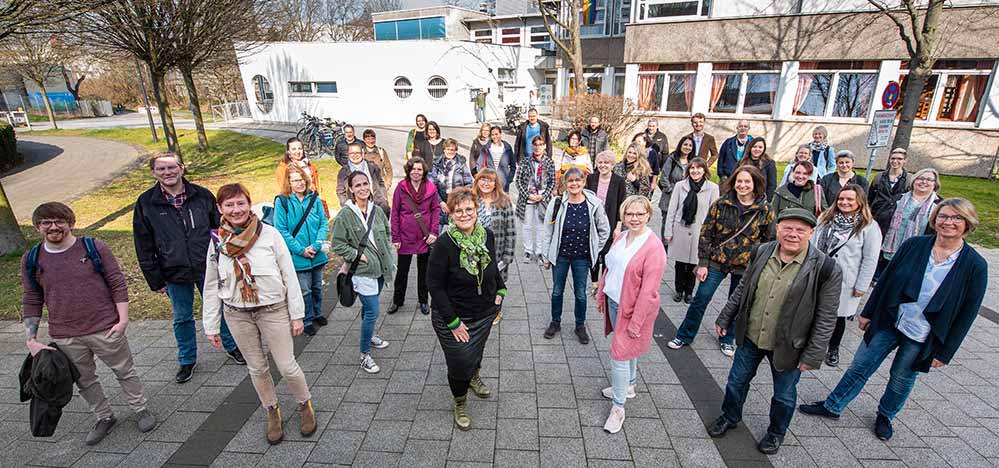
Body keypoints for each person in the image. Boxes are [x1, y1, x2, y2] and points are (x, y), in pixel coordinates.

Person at [799, 198, 986, 442]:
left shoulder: (975, 265)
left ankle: (885, 416)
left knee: (901, 377)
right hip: (890, 320)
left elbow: (967, 313)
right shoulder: (915, 245)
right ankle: (833, 405)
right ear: (935, 218)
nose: (948, 222)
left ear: (967, 223)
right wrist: (868, 312)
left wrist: (945, 352)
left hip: (923, 333)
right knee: (860, 366)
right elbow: (886, 279)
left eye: (956, 218)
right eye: (944, 216)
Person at [706, 208, 841, 455]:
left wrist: (813, 355)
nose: (793, 234)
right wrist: (726, 316)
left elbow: (826, 317)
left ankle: (776, 432)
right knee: (736, 382)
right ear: (777, 228)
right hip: (751, 335)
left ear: (811, 232)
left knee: (784, 396)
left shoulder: (827, 268)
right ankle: (730, 416)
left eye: (800, 230)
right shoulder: (761, 251)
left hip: (790, 345)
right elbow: (744, 288)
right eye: (787, 228)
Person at [23, 202, 157, 446]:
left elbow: (117, 282)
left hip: (106, 326)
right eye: (46, 222)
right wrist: (31, 338)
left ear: (71, 223)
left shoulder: (93, 247)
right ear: (37, 227)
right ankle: (104, 417)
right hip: (65, 335)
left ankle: (141, 409)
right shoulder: (32, 259)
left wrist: (123, 320)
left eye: (59, 221)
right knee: (84, 380)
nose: (53, 227)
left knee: (125, 371)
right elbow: (32, 297)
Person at [202, 184, 316, 445]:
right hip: (236, 313)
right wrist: (211, 324)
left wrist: (297, 314)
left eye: (240, 203)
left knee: (287, 366)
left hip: (272, 309)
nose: (236, 209)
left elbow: (289, 273)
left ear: (249, 204)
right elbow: (210, 284)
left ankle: (304, 404)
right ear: (220, 209)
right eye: (229, 205)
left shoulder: (270, 234)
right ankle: (272, 410)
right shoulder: (217, 241)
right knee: (257, 367)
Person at [133, 151, 244, 385]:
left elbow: (220, 231)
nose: (167, 172)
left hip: (208, 269)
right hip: (172, 271)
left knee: (220, 308)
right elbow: (143, 243)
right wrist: (155, 279)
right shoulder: (146, 203)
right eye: (161, 169)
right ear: (154, 173)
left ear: (181, 168)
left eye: (172, 167)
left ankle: (232, 346)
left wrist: (226, 263)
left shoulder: (201, 195)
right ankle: (187, 359)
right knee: (182, 317)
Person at [668, 165, 775, 356]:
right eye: (739, 181)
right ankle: (685, 334)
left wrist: (759, 267)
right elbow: (706, 233)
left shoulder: (765, 209)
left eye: (747, 182)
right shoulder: (721, 203)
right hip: (717, 260)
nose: (742, 185)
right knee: (701, 298)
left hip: (745, 264)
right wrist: (702, 263)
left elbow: (769, 240)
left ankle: (727, 338)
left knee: (737, 303)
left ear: (755, 183)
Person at [426, 187, 507, 430]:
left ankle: (474, 376)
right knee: (459, 362)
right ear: (450, 214)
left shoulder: (487, 236)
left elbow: (492, 267)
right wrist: (452, 321)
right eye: (458, 210)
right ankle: (459, 401)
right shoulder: (444, 244)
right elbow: (434, 285)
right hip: (452, 317)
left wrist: (501, 290)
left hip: (483, 313)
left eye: (469, 209)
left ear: (476, 210)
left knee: (477, 351)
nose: (464, 214)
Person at [596, 195, 667, 433]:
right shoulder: (622, 236)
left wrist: (636, 322)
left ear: (648, 215)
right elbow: (610, 266)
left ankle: (618, 408)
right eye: (629, 214)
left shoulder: (654, 247)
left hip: (635, 310)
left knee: (619, 355)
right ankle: (629, 385)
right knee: (628, 351)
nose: (634, 218)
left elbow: (649, 291)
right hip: (616, 302)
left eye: (639, 214)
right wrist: (601, 294)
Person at [331, 172, 396, 373]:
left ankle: (370, 335)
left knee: (370, 308)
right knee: (373, 311)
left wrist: (388, 252)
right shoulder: (345, 214)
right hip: (362, 271)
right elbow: (337, 244)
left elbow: (386, 231)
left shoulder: (376, 210)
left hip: (380, 268)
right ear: (350, 189)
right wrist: (359, 256)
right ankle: (364, 354)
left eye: (365, 184)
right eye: (357, 185)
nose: (362, 188)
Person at [811, 184, 882, 367]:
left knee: (838, 316)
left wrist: (862, 285)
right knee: (812, 309)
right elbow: (812, 244)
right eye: (841, 199)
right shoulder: (825, 218)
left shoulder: (869, 226)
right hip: (819, 273)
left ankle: (833, 348)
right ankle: (811, 344)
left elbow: (870, 259)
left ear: (859, 202)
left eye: (850, 199)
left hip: (845, 279)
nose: (845, 202)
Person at [541, 167, 611, 344]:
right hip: (560, 255)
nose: (574, 184)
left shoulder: (594, 204)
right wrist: (546, 255)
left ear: (583, 182)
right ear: (565, 183)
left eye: (577, 180)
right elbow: (547, 230)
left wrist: (595, 248)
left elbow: (604, 230)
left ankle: (580, 325)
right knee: (557, 290)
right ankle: (555, 322)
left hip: (582, 257)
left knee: (581, 293)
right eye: (570, 181)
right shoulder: (557, 203)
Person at [274, 165, 329, 336]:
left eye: (302, 179)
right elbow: (281, 230)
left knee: (317, 286)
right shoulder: (282, 201)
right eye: (295, 180)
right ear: (289, 183)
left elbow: (323, 222)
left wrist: (318, 244)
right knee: (304, 290)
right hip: (298, 256)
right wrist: (300, 250)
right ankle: (306, 319)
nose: (300, 183)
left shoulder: (314, 198)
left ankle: (318, 313)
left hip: (316, 252)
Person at [664, 158, 720, 303]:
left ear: (704, 170)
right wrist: (668, 231)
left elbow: (714, 214)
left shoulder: (712, 188)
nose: (695, 171)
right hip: (680, 229)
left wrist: (712, 236)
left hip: (699, 232)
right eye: (692, 168)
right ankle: (678, 290)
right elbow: (672, 209)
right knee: (680, 264)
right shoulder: (680, 186)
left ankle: (689, 292)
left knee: (694, 263)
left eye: (698, 168)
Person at [389, 157, 440, 316]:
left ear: (424, 171)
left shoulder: (431, 188)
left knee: (424, 271)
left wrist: (433, 232)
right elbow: (395, 212)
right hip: (405, 236)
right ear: (408, 171)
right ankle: (398, 300)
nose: (416, 172)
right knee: (402, 271)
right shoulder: (401, 188)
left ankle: (424, 300)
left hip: (424, 237)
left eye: (419, 169)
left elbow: (435, 210)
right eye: (413, 169)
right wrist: (395, 237)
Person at [877, 167, 941, 280]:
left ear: (935, 184)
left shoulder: (939, 206)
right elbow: (881, 219)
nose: (924, 182)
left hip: (917, 254)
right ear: (913, 181)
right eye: (920, 178)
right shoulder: (898, 199)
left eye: (929, 179)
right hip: (890, 250)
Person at [472, 168, 516, 323]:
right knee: (477, 282)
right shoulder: (471, 200)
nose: (485, 183)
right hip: (475, 253)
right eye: (482, 179)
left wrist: (507, 257)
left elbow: (511, 231)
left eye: (489, 180)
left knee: (497, 284)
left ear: (495, 183)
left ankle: (496, 311)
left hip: (497, 253)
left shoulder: (504, 201)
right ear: (477, 181)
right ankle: (481, 310)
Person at [586, 150, 627, 292]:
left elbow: (622, 204)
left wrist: (618, 226)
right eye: (600, 162)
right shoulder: (591, 178)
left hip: (610, 222)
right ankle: (595, 282)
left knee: (607, 254)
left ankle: (605, 282)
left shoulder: (619, 181)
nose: (603, 165)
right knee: (594, 252)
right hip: (593, 222)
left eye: (606, 163)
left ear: (612, 165)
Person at [515, 135, 556, 263]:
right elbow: (518, 181)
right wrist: (528, 195)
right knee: (527, 226)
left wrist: (544, 195)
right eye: (535, 144)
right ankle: (528, 250)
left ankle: (539, 251)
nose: (537, 147)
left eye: (540, 144)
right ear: (532, 146)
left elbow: (552, 182)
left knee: (541, 227)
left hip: (542, 199)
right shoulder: (525, 161)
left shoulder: (549, 162)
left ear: (544, 146)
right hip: (528, 199)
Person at [431, 138, 474, 231]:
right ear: (444, 149)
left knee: (457, 232)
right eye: (448, 149)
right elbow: (432, 186)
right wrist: (440, 202)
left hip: (457, 201)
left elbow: (469, 183)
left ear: (456, 150)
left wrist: (460, 200)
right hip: (441, 201)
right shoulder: (437, 163)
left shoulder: (461, 163)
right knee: (437, 231)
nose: (450, 151)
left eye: (452, 149)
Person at [657, 135, 694, 243]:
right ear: (680, 145)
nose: (687, 147)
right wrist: (671, 191)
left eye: (690, 145)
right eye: (685, 144)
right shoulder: (672, 158)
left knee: (680, 223)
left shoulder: (693, 161)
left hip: (686, 197)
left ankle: (677, 245)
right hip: (669, 196)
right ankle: (665, 246)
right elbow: (663, 177)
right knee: (667, 222)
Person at [336, 142, 389, 215]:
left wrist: (384, 198)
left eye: (358, 153)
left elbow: (380, 183)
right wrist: (348, 206)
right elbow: (340, 192)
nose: (355, 156)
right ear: (348, 155)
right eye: (352, 153)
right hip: (355, 209)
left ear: (363, 153)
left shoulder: (372, 167)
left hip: (376, 204)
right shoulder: (343, 172)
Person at [868, 147, 909, 238]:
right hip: (877, 216)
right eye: (893, 158)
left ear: (905, 161)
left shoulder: (909, 180)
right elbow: (869, 198)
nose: (895, 161)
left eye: (899, 159)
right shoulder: (878, 177)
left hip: (897, 219)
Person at [473, 125, 516, 192]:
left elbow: (513, 166)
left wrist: (509, 178)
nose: (495, 137)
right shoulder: (486, 148)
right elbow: (479, 165)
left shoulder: (507, 148)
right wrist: (484, 179)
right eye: (492, 135)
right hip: (489, 183)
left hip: (503, 183)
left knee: (503, 201)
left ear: (500, 134)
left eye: (496, 134)